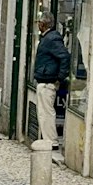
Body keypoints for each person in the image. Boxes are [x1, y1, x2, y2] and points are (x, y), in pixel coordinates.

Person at [33, 12, 70, 155]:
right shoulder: (48, 38)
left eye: (39, 22)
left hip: (48, 81)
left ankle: (51, 141)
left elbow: (64, 56)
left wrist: (59, 77)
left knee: (46, 113)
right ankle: (48, 139)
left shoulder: (52, 39)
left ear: (44, 24)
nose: (38, 25)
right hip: (45, 79)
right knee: (44, 112)